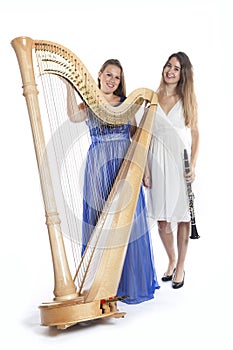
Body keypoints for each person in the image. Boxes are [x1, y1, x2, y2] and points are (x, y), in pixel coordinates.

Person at [64, 58, 160, 303]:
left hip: (124, 166)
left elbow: (138, 138)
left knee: (127, 223)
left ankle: (129, 282)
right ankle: (98, 286)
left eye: (116, 77)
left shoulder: (126, 104)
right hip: (97, 166)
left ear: (120, 81)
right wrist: (69, 86)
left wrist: (146, 170)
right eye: (108, 75)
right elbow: (74, 117)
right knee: (98, 222)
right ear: (99, 74)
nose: (112, 80)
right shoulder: (89, 103)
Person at [143, 52, 199, 289]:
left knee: (182, 218)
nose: (170, 71)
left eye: (176, 68)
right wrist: (146, 169)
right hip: (156, 163)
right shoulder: (151, 98)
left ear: (182, 74)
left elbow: (196, 134)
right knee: (163, 222)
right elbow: (144, 135)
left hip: (179, 163)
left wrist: (193, 165)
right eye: (168, 66)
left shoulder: (186, 99)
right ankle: (172, 259)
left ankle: (181, 266)